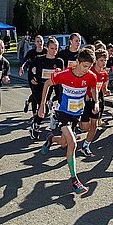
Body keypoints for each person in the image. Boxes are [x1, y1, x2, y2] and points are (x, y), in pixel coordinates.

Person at [38, 47, 98, 195]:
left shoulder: (90, 76)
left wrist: (96, 102)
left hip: (76, 113)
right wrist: (42, 105)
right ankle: (74, 180)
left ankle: (51, 139)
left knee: (64, 143)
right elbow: (46, 84)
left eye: (89, 67)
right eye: (84, 66)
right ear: (77, 62)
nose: (86, 70)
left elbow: (94, 87)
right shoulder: (63, 75)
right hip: (62, 112)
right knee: (72, 143)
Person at [27, 36, 63, 140]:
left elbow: (61, 78)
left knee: (45, 109)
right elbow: (30, 71)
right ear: (47, 48)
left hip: (50, 88)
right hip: (38, 86)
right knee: (44, 108)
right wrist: (32, 79)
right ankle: (36, 126)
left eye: (56, 48)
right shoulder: (39, 60)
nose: (54, 51)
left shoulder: (59, 62)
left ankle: (36, 124)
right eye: (52, 48)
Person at [79, 48, 109, 156]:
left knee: (94, 125)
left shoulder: (104, 74)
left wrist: (105, 90)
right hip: (86, 100)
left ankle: (86, 145)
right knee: (85, 127)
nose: (104, 63)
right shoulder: (90, 72)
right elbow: (83, 83)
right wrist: (86, 93)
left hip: (97, 100)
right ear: (96, 60)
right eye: (101, 60)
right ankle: (76, 124)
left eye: (105, 60)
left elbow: (102, 87)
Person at [20, 35, 47, 114]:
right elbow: (24, 60)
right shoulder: (31, 52)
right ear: (35, 43)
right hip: (32, 76)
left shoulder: (46, 51)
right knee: (35, 94)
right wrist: (22, 67)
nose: (39, 43)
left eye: (41, 41)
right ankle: (35, 114)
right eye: (38, 41)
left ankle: (28, 101)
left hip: (42, 76)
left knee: (40, 93)